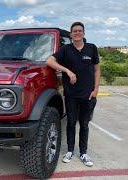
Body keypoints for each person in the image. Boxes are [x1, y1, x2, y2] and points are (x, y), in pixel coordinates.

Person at [46, 22, 100, 167]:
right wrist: (67, 71)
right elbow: (50, 61)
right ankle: (70, 150)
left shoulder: (91, 48)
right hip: (71, 95)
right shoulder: (66, 49)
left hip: (88, 95)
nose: (77, 33)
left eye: (79, 31)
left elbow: (97, 70)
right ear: (71, 35)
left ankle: (83, 153)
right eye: (74, 31)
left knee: (84, 124)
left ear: (83, 33)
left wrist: (96, 90)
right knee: (70, 123)